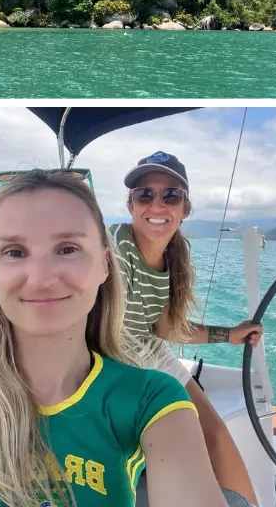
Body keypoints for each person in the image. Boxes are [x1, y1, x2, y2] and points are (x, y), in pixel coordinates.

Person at [0, 170, 227, 507]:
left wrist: (230, 335)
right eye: (14, 252)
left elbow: (168, 328)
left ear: (105, 266)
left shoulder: (152, 401)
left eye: (67, 249)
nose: (41, 279)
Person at [110, 151, 263, 507]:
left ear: (185, 209)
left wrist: (230, 334)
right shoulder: (115, 246)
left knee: (216, 435)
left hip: (150, 353)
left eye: (171, 195)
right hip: (113, 358)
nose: (157, 203)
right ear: (131, 205)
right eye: (144, 194)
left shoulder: (174, 258)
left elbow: (167, 328)